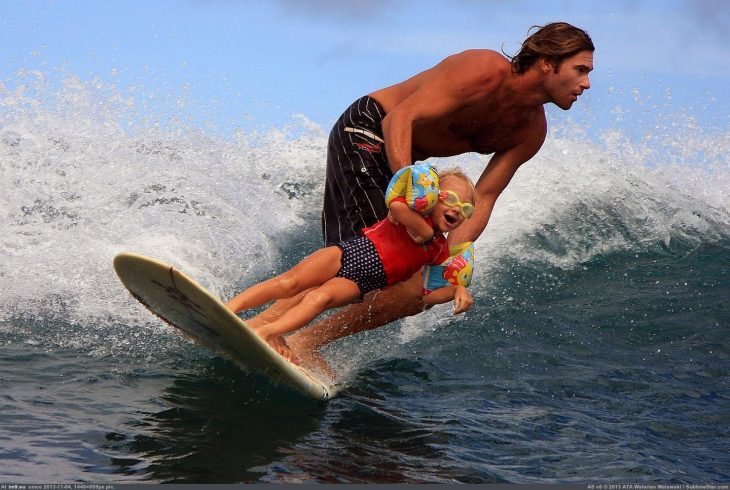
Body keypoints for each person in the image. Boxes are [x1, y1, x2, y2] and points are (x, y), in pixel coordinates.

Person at [246, 22, 595, 369]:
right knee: (366, 259)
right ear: (547, 62)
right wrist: (406, 188)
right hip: (369, 129)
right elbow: (401, 118)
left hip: (407, 167)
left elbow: (485, 196)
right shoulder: (482, 70)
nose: (586, 83)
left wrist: (453, 254)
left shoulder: (530, 132)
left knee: (417, 291)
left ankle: (305, 341)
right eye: (580, 70)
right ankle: (261, 327)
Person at [226, 168, 477, 364]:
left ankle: (271, 332)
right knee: (289, 283)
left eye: (466, 208)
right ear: (432, 195)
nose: (458, 208)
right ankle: (230, 309)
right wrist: (422, 222)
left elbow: (427, 293)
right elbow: (395, 206)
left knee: (319, 298)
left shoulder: (439, 249)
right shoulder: (409, 212)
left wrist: (457, 290)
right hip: (344, 254)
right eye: (451, 198)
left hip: (360, 282)